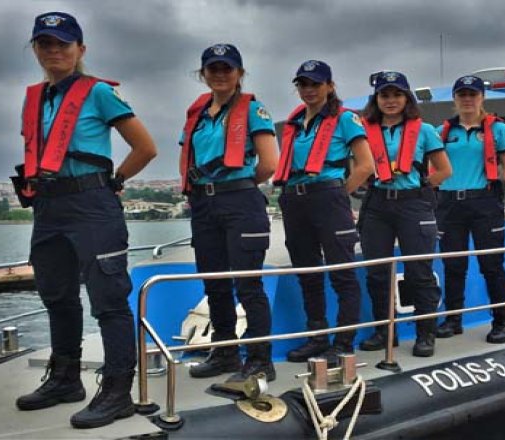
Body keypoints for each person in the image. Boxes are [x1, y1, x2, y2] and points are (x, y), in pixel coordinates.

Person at [11, 12, 157, 430]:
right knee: (56, 295)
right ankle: (64, 378)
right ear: (36, 49)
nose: (54, 51)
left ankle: (117, 392)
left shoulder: (98, 93)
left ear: (81, 50)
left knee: (109, 299)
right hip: (48, 208)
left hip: (92, 204)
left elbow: (145, 147)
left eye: (63, 44)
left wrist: (116, 182)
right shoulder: (34, 97)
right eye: (45, 44)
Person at [179, 44, 279, 382]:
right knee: (215, 284)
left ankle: (260, 358)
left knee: (248, 284)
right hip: (204, 206)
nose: (220, 74)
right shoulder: (197, 115)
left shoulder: (254, 109)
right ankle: (224, 352)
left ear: (239, 73)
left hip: (240, 202)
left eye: (227, 68)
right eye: (213, 68)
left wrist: (237, 187)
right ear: (203, 73)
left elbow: (268, 164)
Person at [274, 60, 374, 366]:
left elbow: (366, 165)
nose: (309, 90)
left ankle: (343, 343)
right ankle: (317, 337)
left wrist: (337, 195)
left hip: (328, 197)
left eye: (315, 84)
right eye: (303, 84)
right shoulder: (294, 123)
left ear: (329, 86)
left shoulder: (346, 120)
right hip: (294, 200)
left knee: (342, 274)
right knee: (308, 274)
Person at [356, 71, 452, 357]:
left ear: (406, 97)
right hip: (377, 206)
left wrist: (422, 188)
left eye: (397, 94)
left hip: (413, 205)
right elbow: (358, 166)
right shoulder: (364, 130)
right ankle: (385, 332)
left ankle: (426, 334)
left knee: (419, 271)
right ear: (376, 98)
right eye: (384, 95)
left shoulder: (424, 131)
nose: (390, 100)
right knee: (377, 272)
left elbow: (445, 170)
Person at [435, 75, 505, 344]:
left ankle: (502, 322)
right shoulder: (443, 131)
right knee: (453, 265)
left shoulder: (498, 129)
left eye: (473, 94)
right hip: (448, 204)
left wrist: (494, 194)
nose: (467, 99)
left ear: (482, 97)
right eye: (462, 95)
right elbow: (433, 166)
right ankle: (453, 319)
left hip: (484, 202)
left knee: (492, 265)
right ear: (455, 99)